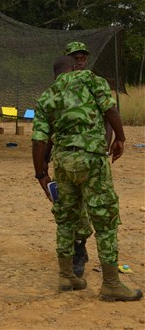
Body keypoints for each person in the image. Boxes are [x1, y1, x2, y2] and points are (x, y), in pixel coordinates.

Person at [32, 56, 142, 302]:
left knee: (66, 217)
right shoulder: (89, 78)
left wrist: (41, 174)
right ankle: (111, 283)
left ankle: (66, 275)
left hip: (63, 163)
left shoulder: (47, 96)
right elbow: (109, 109)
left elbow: (39, 140)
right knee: (105, 219)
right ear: (73, 67)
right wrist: (120, 138)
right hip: (92, 159)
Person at [45, 42, 113, 278]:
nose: (81, 61)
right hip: (65, 158)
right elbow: (51, 128)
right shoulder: (57, 90)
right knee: (72, 208)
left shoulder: (93, 83)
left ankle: (79, 251)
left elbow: (108, 117)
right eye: (77, 57)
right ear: (70, 61)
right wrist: (45, 162)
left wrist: (103, 145)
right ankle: (79, 250)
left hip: (93, 155)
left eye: (84, 57)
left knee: (92, 205)